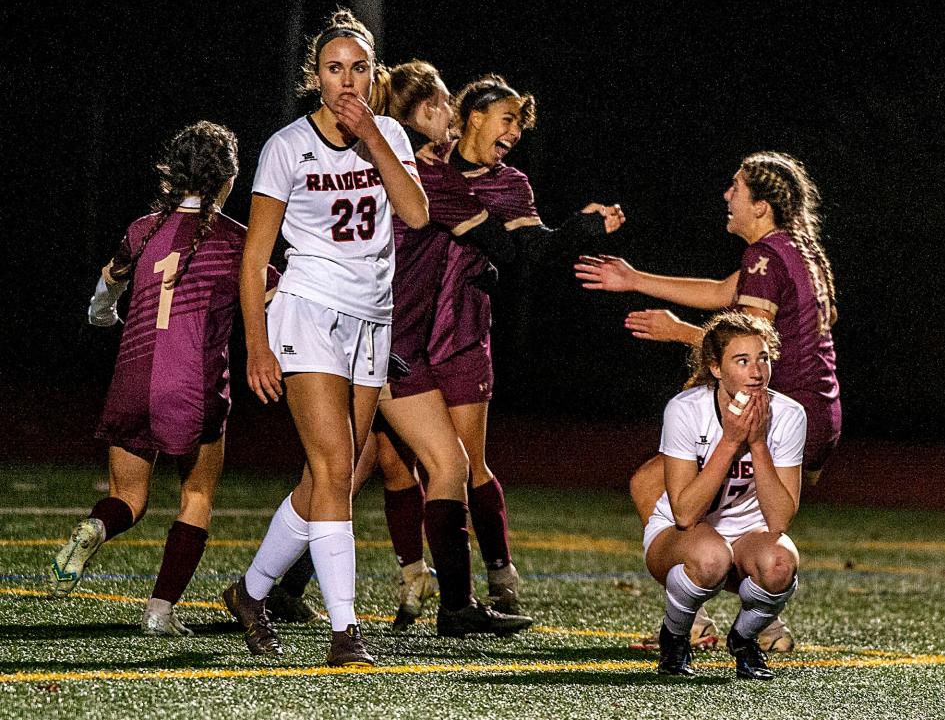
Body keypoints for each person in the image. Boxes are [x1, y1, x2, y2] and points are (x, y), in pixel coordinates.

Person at [267, 71, 624, 636]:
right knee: (387, 465)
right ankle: (434, 600)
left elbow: (518, 248)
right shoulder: (411, 169)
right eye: (439, 105)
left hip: (415, 338)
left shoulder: (415, 168)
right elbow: (506, 247)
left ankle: (271, 589)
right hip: (383, 336)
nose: (450, 114)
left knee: (364, 466)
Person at [219, 10, 428, 667]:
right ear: (315, 77)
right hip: (307, 308)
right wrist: (256, 343)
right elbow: (254, 258)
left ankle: (250, 591)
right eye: (335, 69)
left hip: (372, 314)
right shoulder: (286, 146)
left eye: (359, 68)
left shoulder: (387, 131)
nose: (347, 80)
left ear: (373, 76)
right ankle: (346, 632)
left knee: (330, 475)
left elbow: (417, 213)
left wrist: (373, 137)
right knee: (337, 465)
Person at [575, 151, 837, 651]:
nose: (726, 196)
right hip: (821, 410)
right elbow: (722, 293)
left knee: (656, 490)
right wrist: (634, 279)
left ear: (761, 206)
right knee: (741, 520)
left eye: (735, 187)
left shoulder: (763, 256)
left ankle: (692, 619)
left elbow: (742, 348)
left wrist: (676, 332)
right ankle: (764, 617)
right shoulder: (797, 250)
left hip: (774, 408)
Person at [48, 120, 260, 637]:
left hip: (131, 377)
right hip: (193, 384)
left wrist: (103, 317)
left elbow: (106, 286)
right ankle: (159, 611)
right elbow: (274, 297)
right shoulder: (237, 241)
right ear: (227, 179)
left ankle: (95, 526)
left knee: (129, 498)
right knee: (197, 496)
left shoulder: (143, 230)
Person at [644, 310, 803, 680]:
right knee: (711, 556)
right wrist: (730, 442)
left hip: (748, 537)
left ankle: (744, 640)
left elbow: (779, 520)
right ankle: (676, 635)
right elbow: (684, 513)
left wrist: (758, 442)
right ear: (716, 368)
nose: (756, 371)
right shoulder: (686, 410)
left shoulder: (789, 414)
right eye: (742, 360)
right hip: (680, 537)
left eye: (763, 358)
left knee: (781, 564)